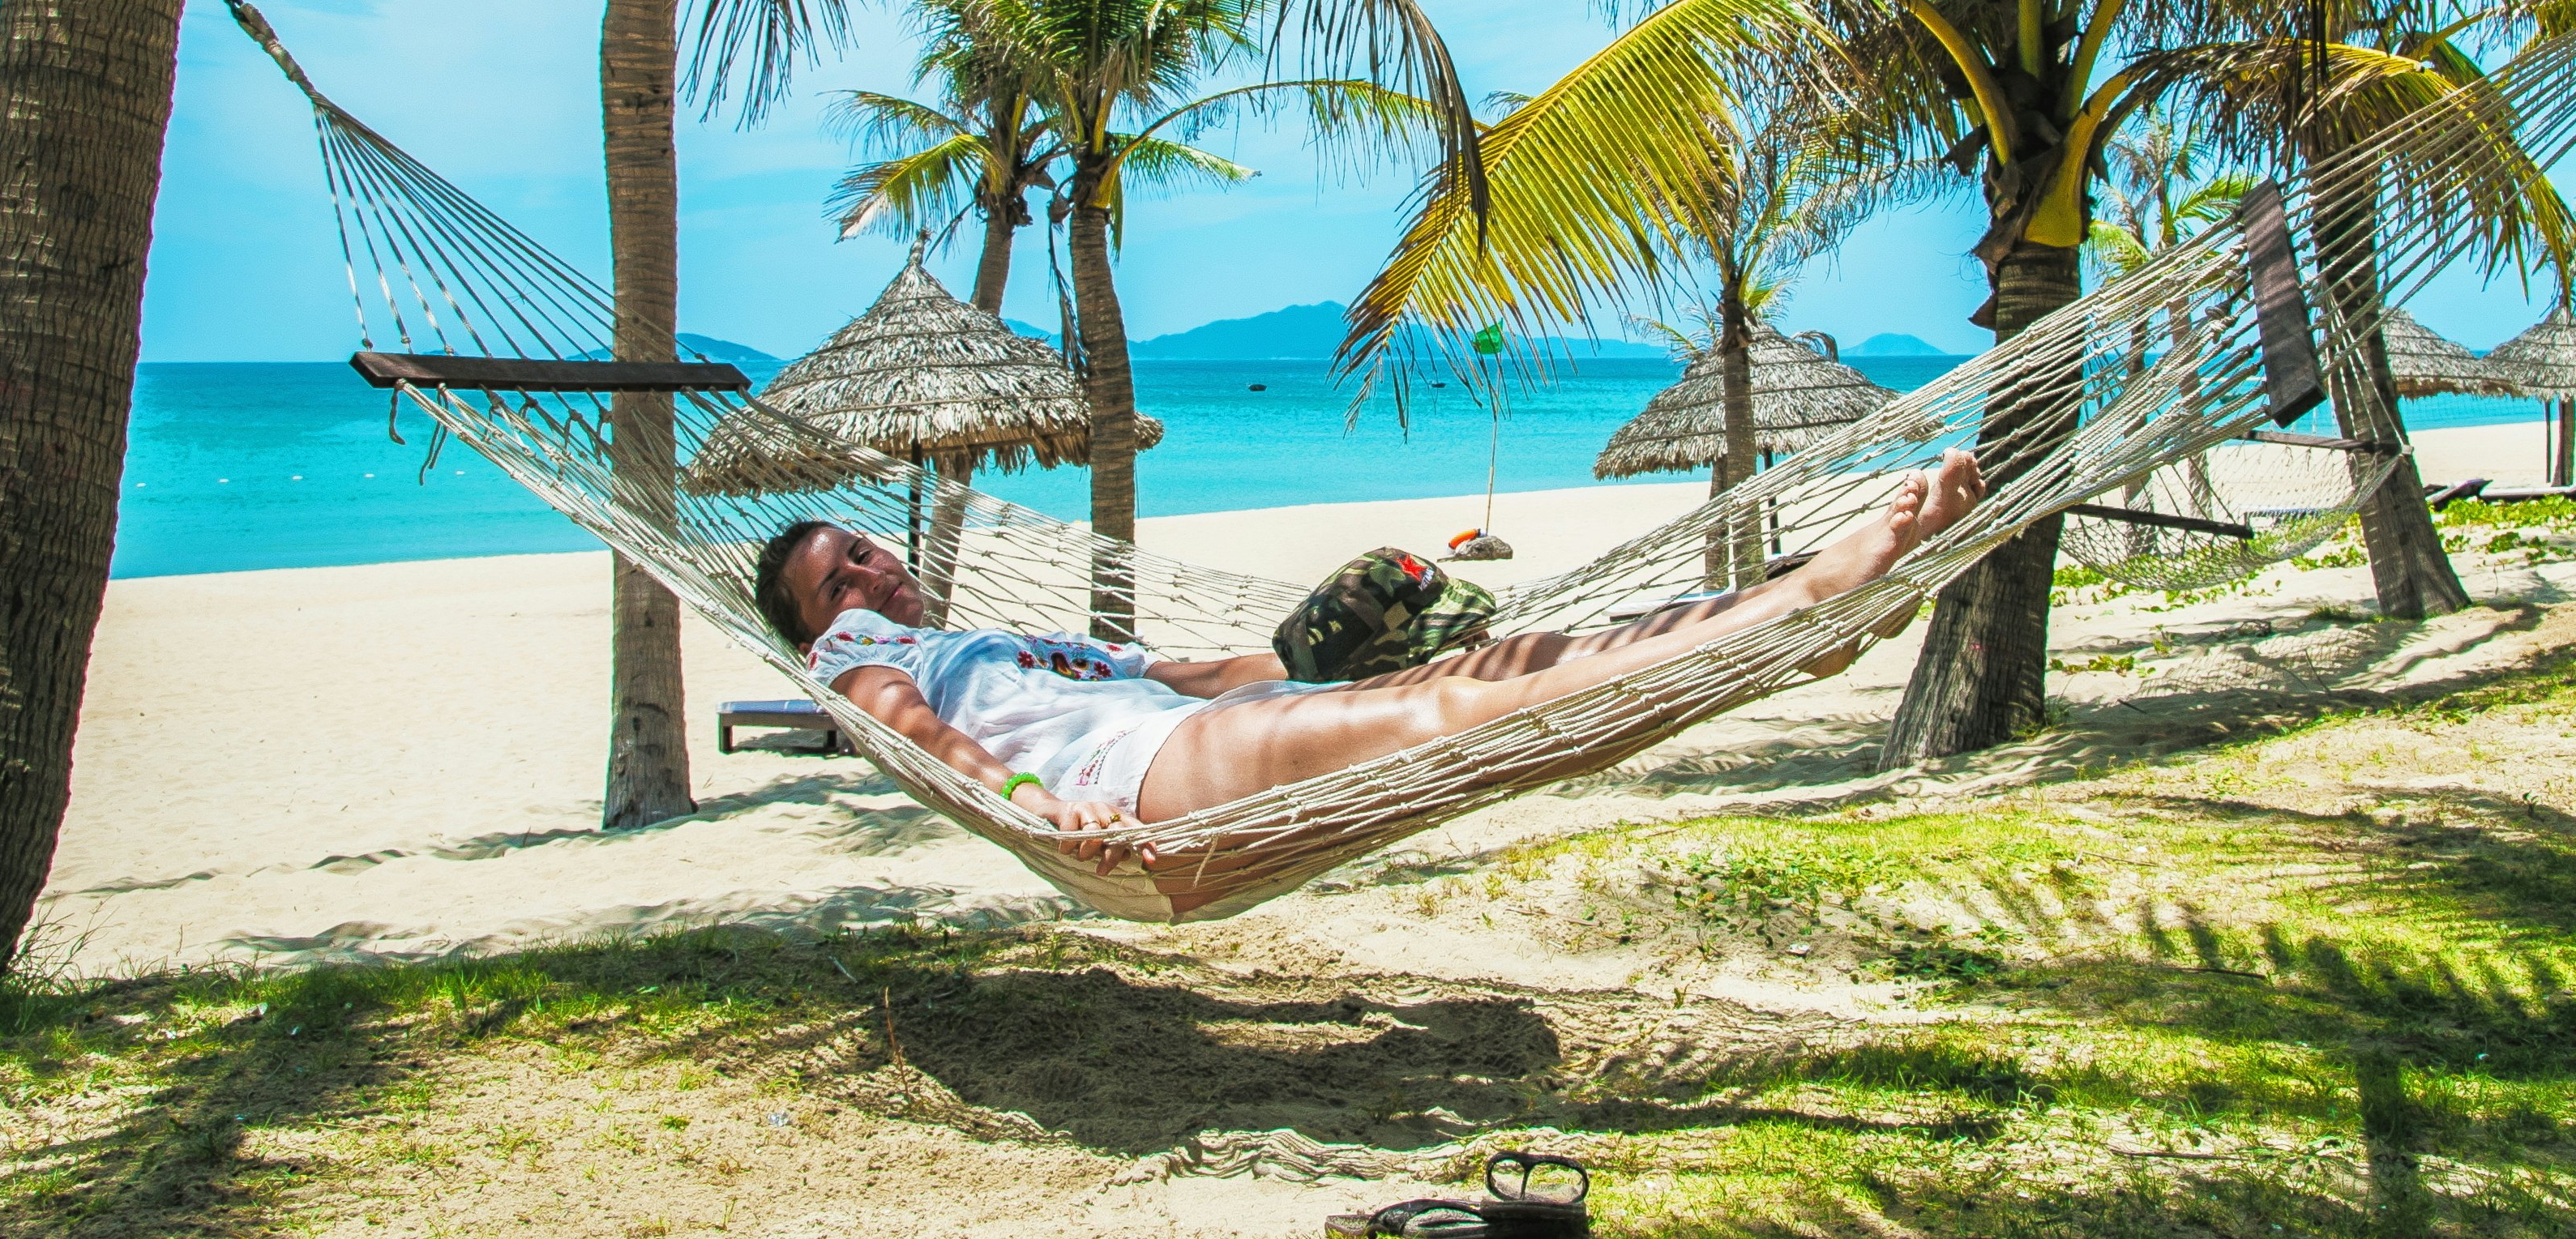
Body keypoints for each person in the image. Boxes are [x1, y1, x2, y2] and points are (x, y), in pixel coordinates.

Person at [751, 447, 1983, 859]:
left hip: (1189, 729)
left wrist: (1306, 660)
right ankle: (1806, 610)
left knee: (1505, 666)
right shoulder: (856, 655)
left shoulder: (984, 638)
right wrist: (1030, 804)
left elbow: (1173, 671)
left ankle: (1783, 631)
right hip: (1133, 789)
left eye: (863, 548)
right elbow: (908, 726)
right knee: (1453, 719)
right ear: (818, 622)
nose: (867, 572)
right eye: (835, 578)